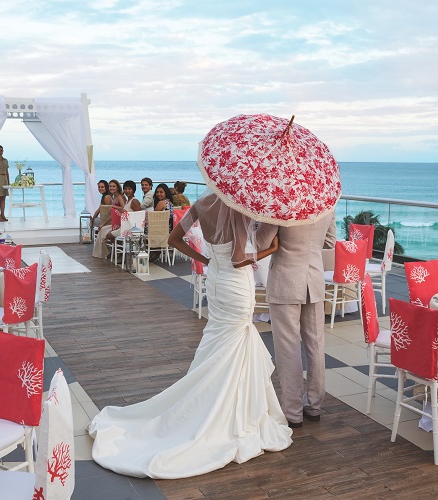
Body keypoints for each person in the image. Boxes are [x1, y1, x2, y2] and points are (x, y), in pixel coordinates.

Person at [88, 192, 292, 478]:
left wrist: (205, 258)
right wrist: (271, 249)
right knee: (234, 341)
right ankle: (230, 411)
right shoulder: (236, 208)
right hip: (235, 285)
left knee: (221, 341)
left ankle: (213, 399)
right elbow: (238, 260)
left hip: (217, 282)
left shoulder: (202, 204)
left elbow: (175, 240)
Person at [255, 213, 335, 428]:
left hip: (285, 280)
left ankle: (292, 412)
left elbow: (260, 242)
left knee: (288, 346)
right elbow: (329, 242)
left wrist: (261, 225)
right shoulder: (325, 205)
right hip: (314, 279)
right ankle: (314, 406)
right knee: (316, 344)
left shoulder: (282, 206)